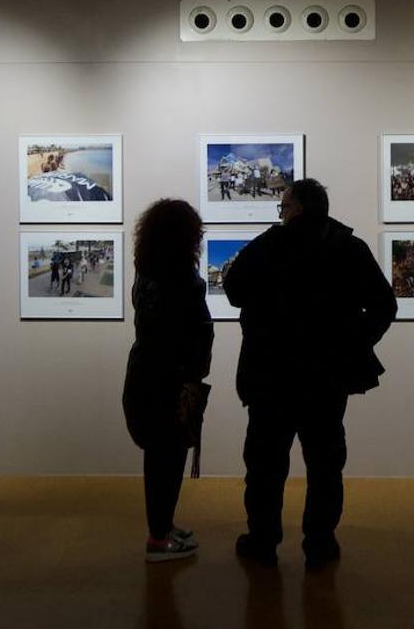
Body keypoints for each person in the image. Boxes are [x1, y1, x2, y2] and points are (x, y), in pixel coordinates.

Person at [223, 179, 397, 570]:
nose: (281, 213)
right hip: (327, 376)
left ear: (298, 208)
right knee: (325, 463)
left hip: (271, 375)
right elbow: (385, 305)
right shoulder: (348, 248)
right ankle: (320, 542)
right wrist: (356, 342)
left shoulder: (269, 246)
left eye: (283, 206)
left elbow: (233, 290)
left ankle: (263, 540)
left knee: (266, 464)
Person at [123, 198, 214, 563]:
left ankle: (162, 526)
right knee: (168, 456)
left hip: (145, 370)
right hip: (170, 378)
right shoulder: (180, 278)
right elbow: (189, 330)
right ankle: (158, 539)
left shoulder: (146, 270)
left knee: (160, 455)